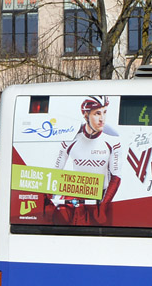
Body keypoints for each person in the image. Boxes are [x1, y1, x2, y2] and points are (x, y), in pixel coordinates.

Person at [50, 96, 121, 226]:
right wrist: (49, 200)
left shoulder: (112, 141)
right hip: (77, 196)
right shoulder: (70, 139)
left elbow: (116, 177)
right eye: (97, 113)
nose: (102, 119)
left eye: (104, 112)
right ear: (85, 115)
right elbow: (55, 171)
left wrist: (104, 206)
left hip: (102, 197)